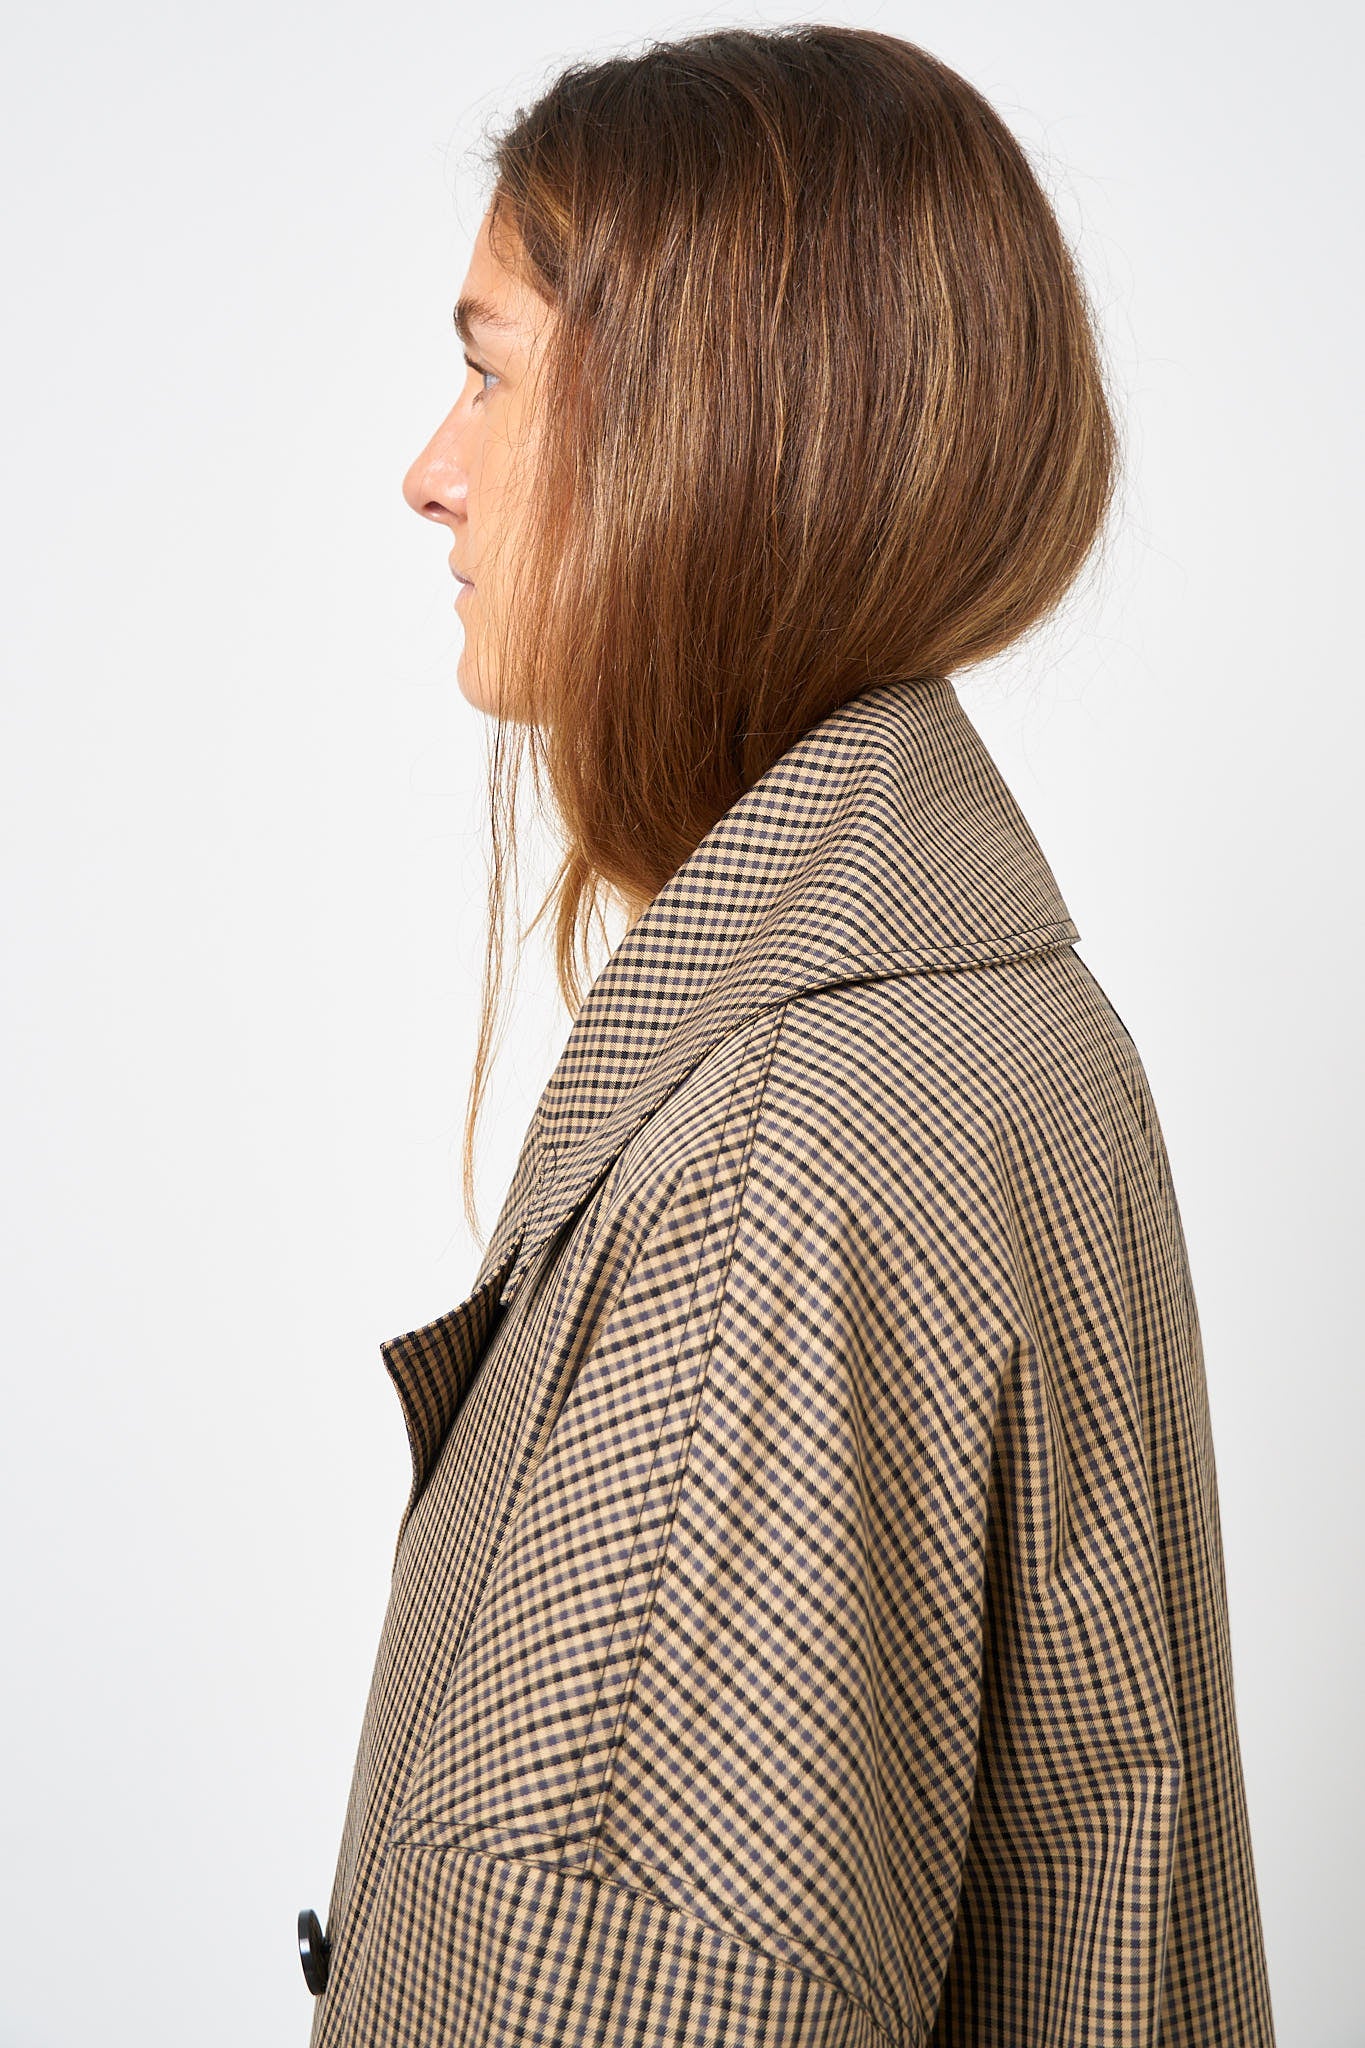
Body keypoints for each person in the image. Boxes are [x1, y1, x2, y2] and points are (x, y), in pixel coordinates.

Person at [298, 25, 1278, 2045]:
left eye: (490, 373)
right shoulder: (988, 1014)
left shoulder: (770, 1172)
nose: (430, 469)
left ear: (711, 433)